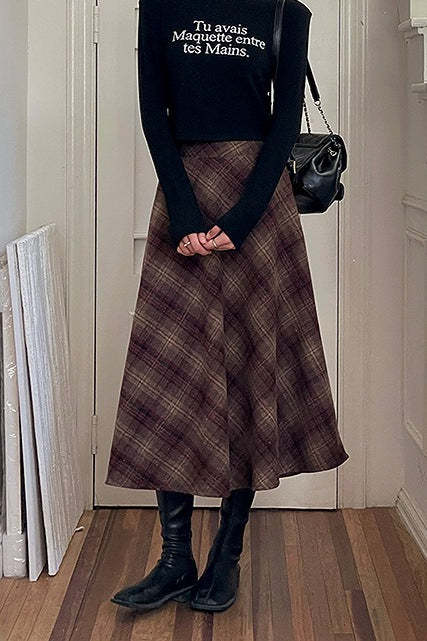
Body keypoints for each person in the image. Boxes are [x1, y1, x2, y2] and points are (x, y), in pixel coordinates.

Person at [106, 0, 349, 613]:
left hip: (258, 209)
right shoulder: (160, 6)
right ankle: (175, 559)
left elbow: (284, 124)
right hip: (181, 198)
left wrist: (240, 220)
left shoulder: (284, 11)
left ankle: (226, 554)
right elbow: (154, 112)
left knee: (247, 372)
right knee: (172, 376)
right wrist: (184, 212)